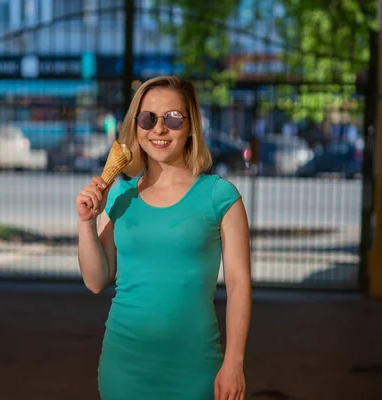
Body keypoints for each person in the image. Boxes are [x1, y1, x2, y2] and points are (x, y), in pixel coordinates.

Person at [75, 76, 252, 400]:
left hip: (196, 368)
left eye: (172, 118)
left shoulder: (220, 196)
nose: (158, 129)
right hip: (124, 368)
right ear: (136, 124)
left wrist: (234, 362)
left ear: (190, 126)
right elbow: (96, 281)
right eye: (148, 118)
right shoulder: (121, 195)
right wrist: (87, 222)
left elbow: (239, 285)